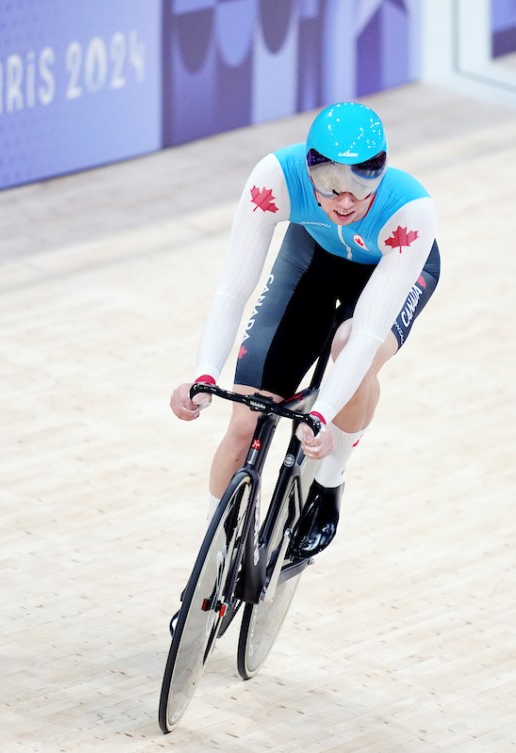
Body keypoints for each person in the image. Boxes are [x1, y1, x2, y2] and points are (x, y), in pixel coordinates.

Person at [169, 101, 441, 559]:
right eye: (332, 184)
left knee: (350, 346)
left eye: (361, 182)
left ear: (383, 172)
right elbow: (233, 291)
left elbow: (371, 331)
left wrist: (324, 414)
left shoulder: (410, 212)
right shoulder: (275, 177)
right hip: (311, 259)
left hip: (388, 272)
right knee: (244, 423)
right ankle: (209, 568)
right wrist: (205, 371)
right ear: (309, 169)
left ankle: (329, 484)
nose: (345, 200)